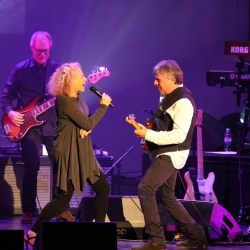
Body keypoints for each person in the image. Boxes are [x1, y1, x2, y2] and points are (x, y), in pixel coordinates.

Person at [23, 62, 112, 247]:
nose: (83, 79)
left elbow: (84, 121)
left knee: (102, 188)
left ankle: (99, 234)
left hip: (82, 149)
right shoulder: (63, 100)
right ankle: (32, 232)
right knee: (63, 197)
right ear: (70, 81)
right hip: (70, 151)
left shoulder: (78, 97)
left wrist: (86, 128)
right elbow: (86, 122)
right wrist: (103, 106)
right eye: (79, 76)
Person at [128, 60, 208, 250]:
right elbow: (165, 126)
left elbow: (179, 135)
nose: (155, 83)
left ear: (172, 79)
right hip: (165, 152)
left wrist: (148, 134)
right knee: (167, 197)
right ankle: (197, 236)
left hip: (172, 154)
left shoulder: (183, 102)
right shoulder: (167, 97)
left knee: (145, 188)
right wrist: (146, 130)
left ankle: (156, 240)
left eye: (158, 79)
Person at [0, 31, 74, 224]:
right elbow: (6, 97)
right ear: (32, 48)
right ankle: (28, 210)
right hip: (27, 127)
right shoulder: (21, 69)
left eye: (47, 51)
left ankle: (61, 209)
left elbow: (67, 95)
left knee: (61, 168)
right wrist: (11, 113)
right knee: (31, 167)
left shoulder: (58, 70)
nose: (43, 55)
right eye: (40, 51)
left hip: (52, 124)